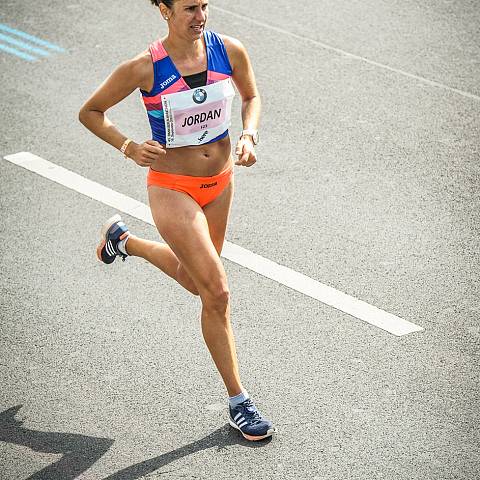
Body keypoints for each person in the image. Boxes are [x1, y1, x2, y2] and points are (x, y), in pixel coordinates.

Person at [78, 0, 275, 441]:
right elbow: (90, 112)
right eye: (188, 7)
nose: (199, 16)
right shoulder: (145, 67)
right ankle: (239, 402)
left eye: (204, 5)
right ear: (163, 10)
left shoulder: (230, 50)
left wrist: (248, 135)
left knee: (195, 280)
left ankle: (124, 241)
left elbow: (252, 97)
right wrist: (128, 146)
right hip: (172, 187)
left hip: (220, 184)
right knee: (218, 292)